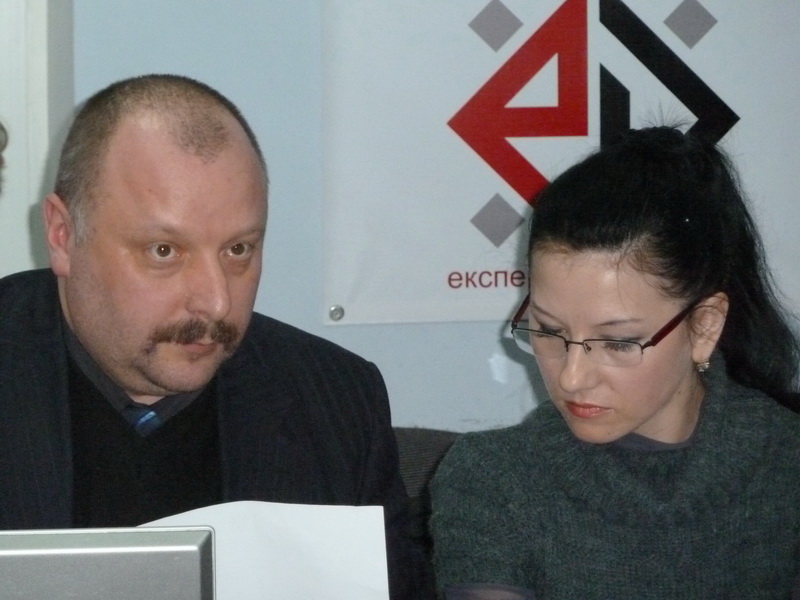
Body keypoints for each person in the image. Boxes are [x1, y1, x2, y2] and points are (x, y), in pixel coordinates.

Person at [0, 74, 432, 599]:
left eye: (238, 250)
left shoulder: (334, 400)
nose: (217, 301)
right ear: (62, 236)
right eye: (164, 251)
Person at [430, 126, 800, 599]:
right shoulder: (494, 479)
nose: (572, 377)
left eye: (618, 343)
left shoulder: (785, 465)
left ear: (705, 326)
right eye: (550, 331)